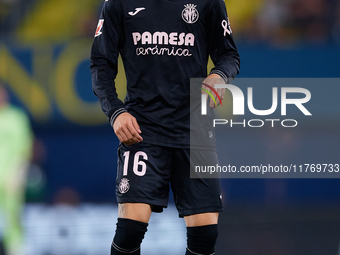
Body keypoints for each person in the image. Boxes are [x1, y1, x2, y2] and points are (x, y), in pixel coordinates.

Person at [90, 0, 240, 253]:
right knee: (130, 230)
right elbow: (100, 65)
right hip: (143, 129)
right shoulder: (118, 3)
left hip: (195, 131)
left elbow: (229, 55)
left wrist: (219, 75)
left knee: (206, 235)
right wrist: (116, 112)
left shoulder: (209, 2)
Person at [0, 85, 33, 255]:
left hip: (9, 180)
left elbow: (24, 149)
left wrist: (18, 174)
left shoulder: (16, 118)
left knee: (12, 221)